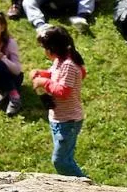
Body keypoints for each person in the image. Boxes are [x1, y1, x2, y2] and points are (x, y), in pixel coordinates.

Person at [30, 26, 88, 178]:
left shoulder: (69, 65)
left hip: (68, 121)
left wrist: (44, 82)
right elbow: (54, 74)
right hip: (58, 119)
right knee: (66, 157)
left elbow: (63, 91)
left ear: (53, 48)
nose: (44, 51)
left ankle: (85, 185)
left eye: (45, 48)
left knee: (60, 161)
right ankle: (76, 183)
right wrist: (42, 74)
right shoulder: (60, 60)